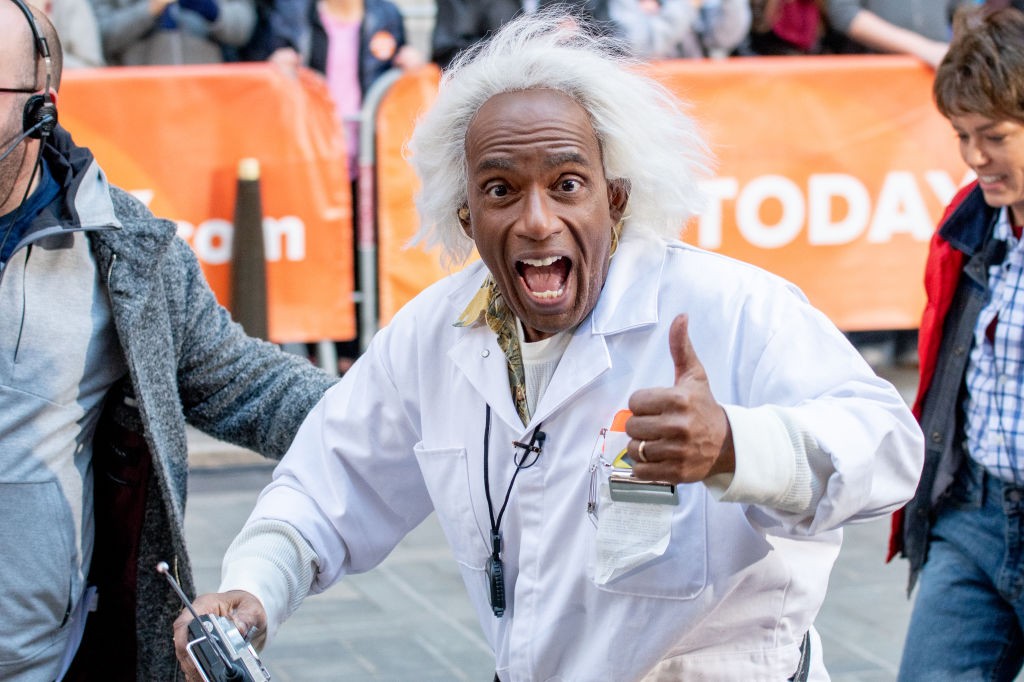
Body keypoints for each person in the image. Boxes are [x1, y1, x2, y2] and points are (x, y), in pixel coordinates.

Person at [175, 10, 923, 680]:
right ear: (467, 216)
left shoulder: (729, 308)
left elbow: (890, 450)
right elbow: (327, 484)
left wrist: (735, 447)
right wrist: (254, 589)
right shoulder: (434, 337)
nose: (536, 220)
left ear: (615, 198)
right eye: (501, 190)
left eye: (567, 184)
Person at [0, 2, 336, 680]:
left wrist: (416, 411)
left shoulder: (126, 252)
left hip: (43, 662)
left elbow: (253, 387)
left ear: (42, 109)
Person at [892, 6, 1024, 680]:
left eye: (993, 136)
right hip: (972, 514)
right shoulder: (971, 222)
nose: (975, 157)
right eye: (962, 135)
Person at [430, 0, 614, 69]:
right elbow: (448, 53)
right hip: (488, 96)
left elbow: (610, 47)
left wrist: (580, 35)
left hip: (568, 92)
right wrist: (524, 44)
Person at [91, 0, 256, 64]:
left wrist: (213, 12)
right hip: (136, 96)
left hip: (206, 94)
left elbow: (244, 30)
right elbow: (98, 39)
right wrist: (149, 10)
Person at [823, 0, 971, 68]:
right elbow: (843, 13)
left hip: (935, 72)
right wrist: (923, 49)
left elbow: (966, 14)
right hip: (875, 71)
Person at [608, 0, 751, 59]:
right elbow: (634, 45)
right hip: (646, 93)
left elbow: (723, 39)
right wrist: (686, 5)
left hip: (701, 90)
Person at [26, 0, 106, 67]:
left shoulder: (71, 4)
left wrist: (49, 54)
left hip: (67, 82)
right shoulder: (14, 8)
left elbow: (92, 68)